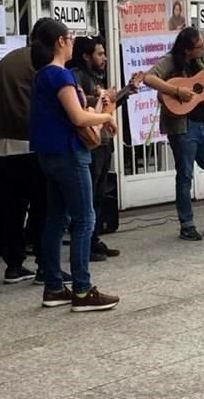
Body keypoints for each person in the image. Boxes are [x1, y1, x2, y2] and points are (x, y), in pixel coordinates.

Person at [30, 18, 120, 312]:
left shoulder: (41, 75)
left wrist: (98, 105)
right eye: (69, 37)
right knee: (85, 219)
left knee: (56, 219)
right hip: (70, 153)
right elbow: (78, 119)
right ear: (60, 41)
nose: (71, 42)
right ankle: (82, 289)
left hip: (49, 154)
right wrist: (106, 117)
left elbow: (73, 114)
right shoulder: (61, 75)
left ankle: (54, 286)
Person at [143, 27, 204, 240]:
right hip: (182, 126)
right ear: (186, 49)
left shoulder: (199, 64)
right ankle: (187, 224)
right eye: (199, 46)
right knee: (185, 175)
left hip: (202, 125)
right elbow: (148, 78)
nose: (203, 48)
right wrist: (176, 91)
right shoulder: (170, 61)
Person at [0, 20, 60, 285]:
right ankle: (45, 265)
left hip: (4, 145)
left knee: (12, 209)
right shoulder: (39, 62)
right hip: (32, 143)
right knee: (43, 207)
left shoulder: (7, 60)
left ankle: (14, 265)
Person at [68, 35, 139, 262]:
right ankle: (84, 246)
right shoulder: (76, 77)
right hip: (90, 144)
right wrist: (102, 96)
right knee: (88, 197)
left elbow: (106, 107)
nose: (104, 58)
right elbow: (82, 106)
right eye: (99, 54)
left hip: (103, 141)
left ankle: (94, 238)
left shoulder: (95, 76)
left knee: (99, 194)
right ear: (86, 56)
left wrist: (126, 92)